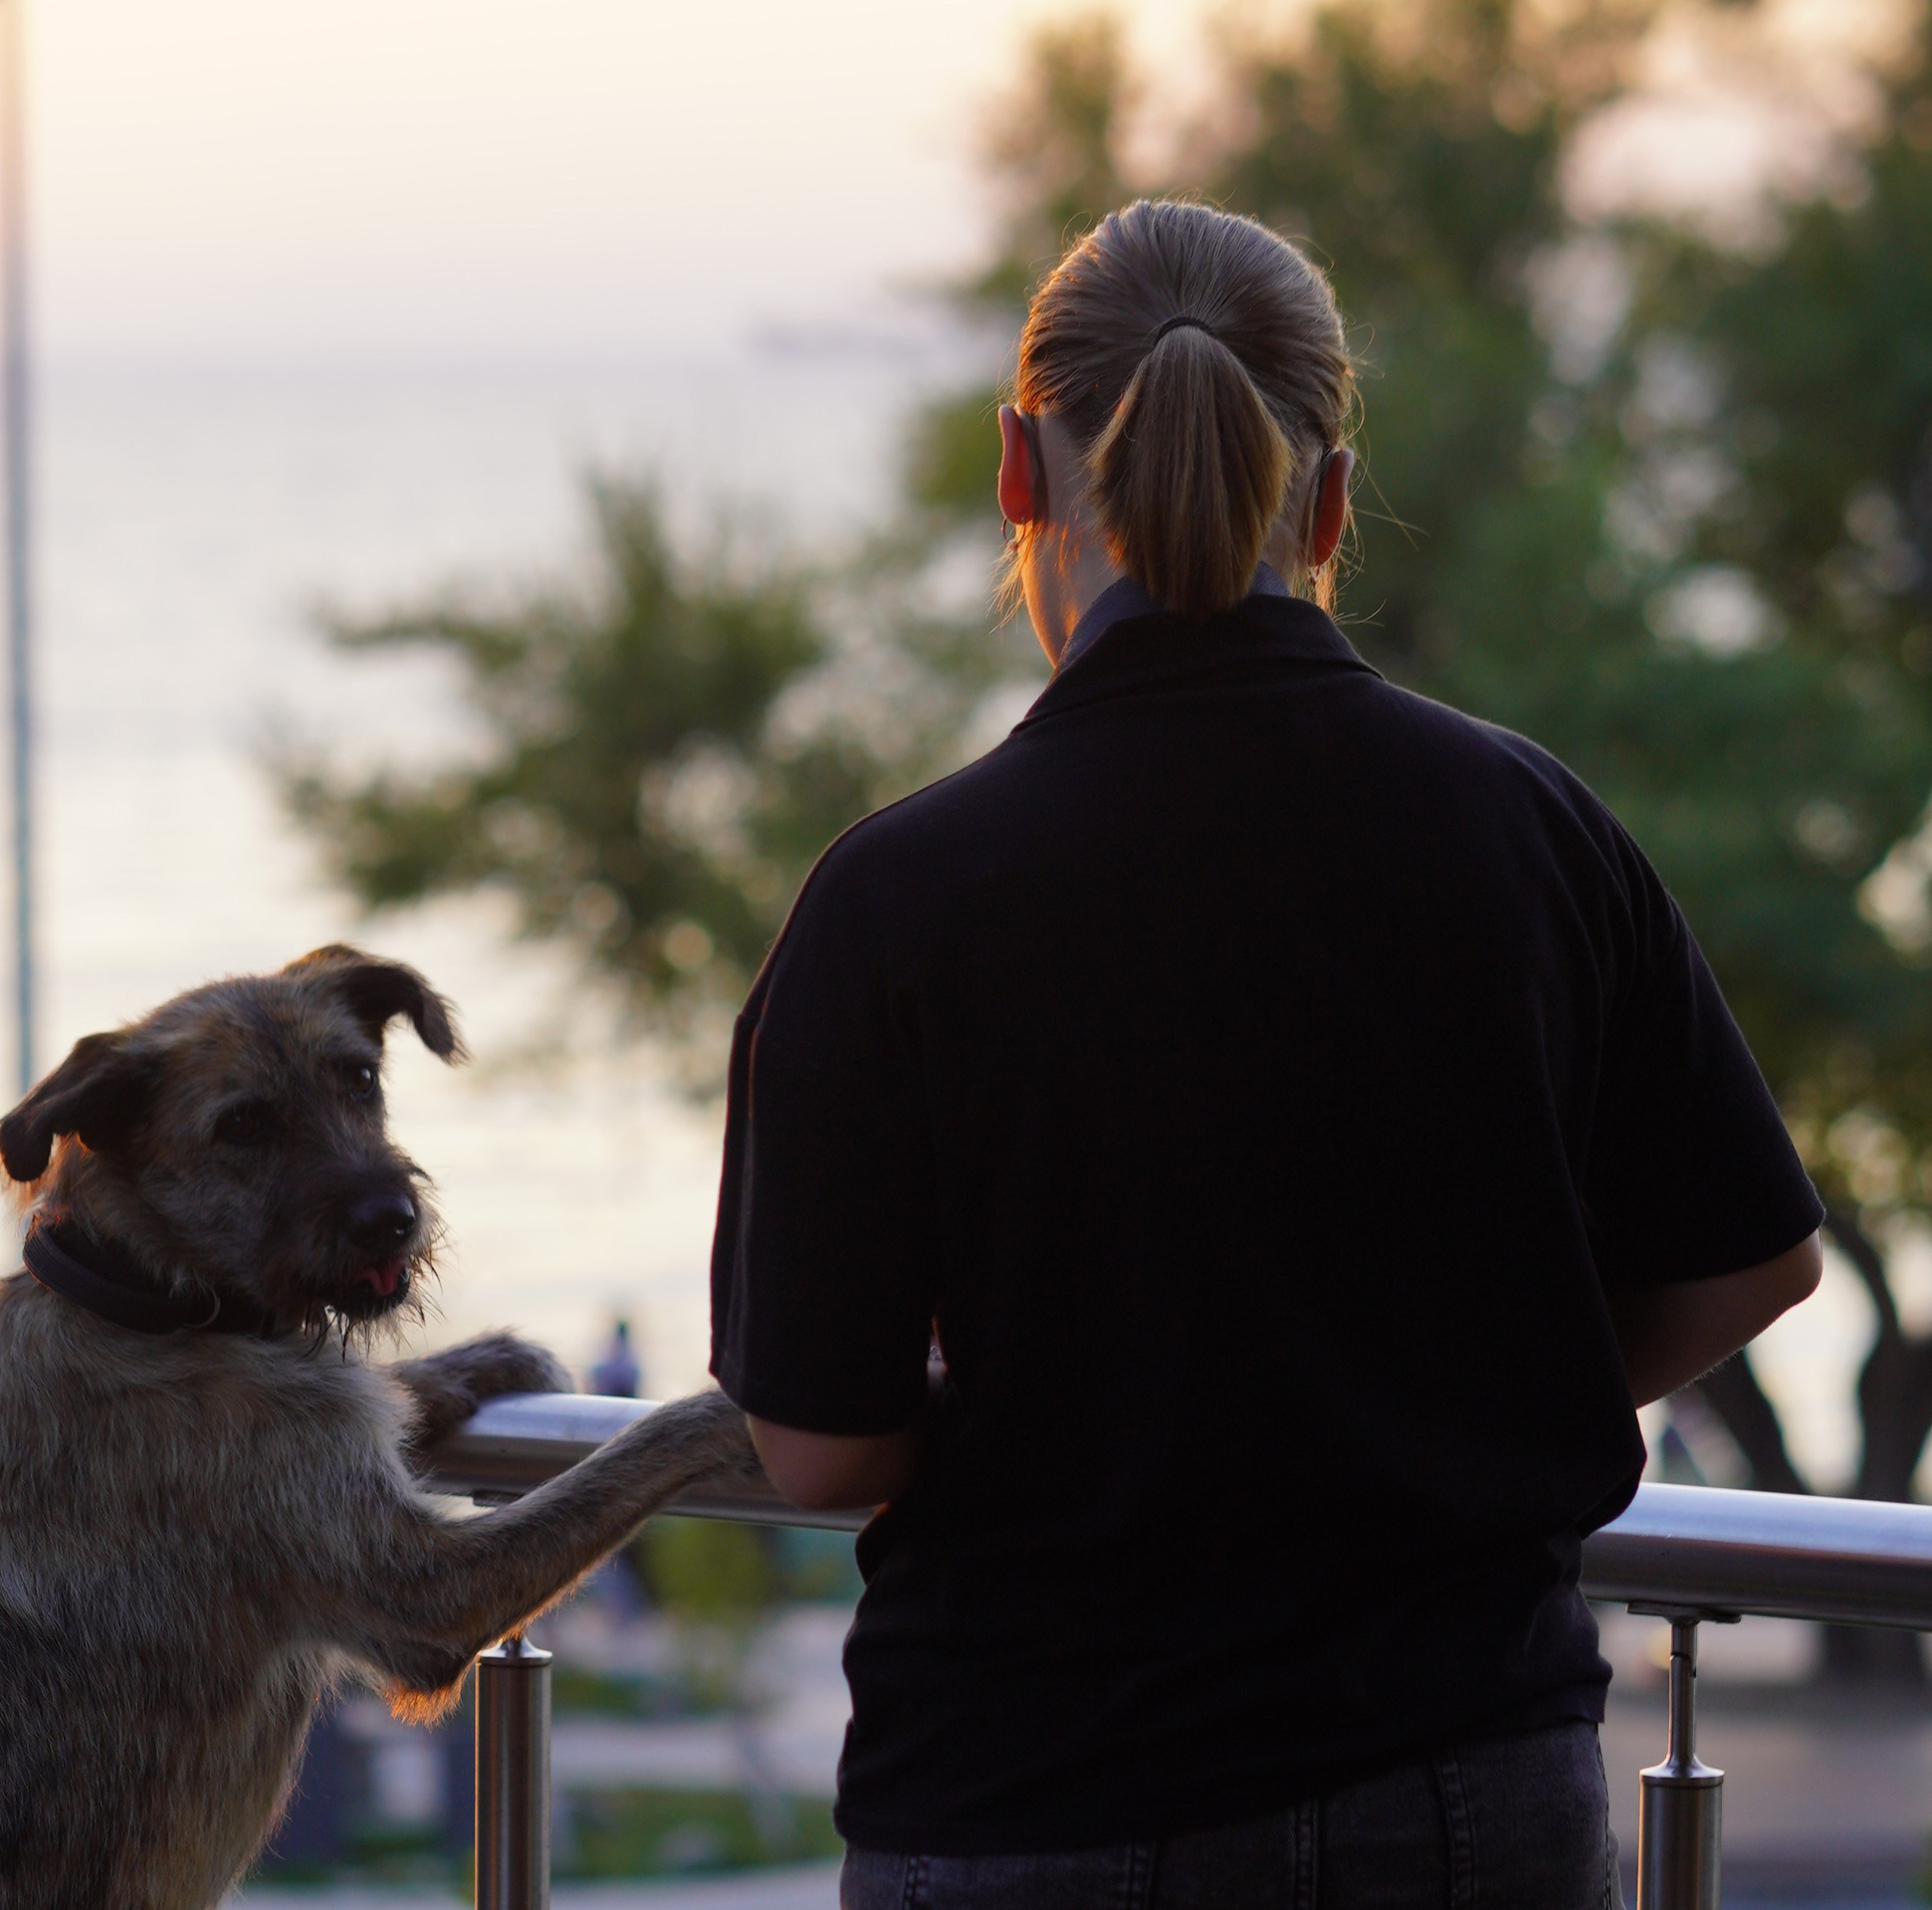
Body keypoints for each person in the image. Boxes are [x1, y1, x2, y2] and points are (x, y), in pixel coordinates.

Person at [708, 199, 1824, 1908]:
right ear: (1331, 497)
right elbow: (1755, 1258)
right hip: (1471, 1799)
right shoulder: (1525, 828)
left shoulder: (899, 898)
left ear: (1020, 471)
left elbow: (824, 1449)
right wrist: (1468, 1396)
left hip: (1036, 1800)